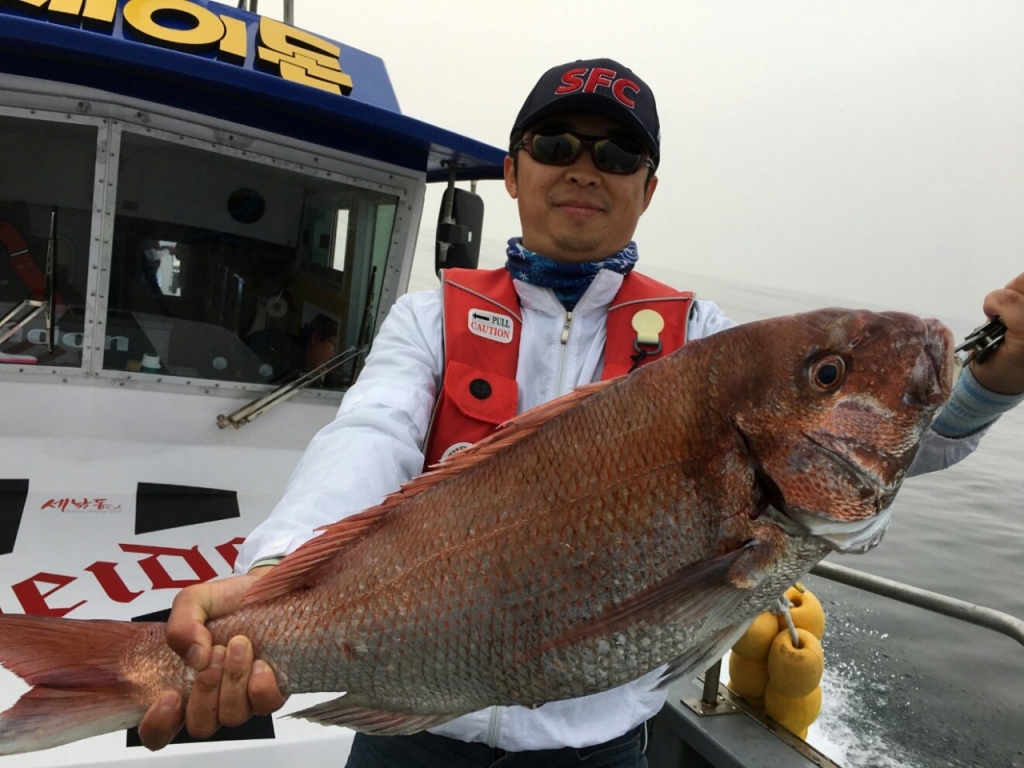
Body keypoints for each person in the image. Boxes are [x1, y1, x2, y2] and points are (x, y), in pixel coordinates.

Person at [138, 59, 1024, 765]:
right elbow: (368, 438)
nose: (585, 168)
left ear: (648, 187)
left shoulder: (704, 341)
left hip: (595, 747)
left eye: (619, 155)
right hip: (419, 732)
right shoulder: (428, 317)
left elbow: (882, 442)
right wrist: (276, 578)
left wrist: (996, 379)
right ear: (513, 170)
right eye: (556, 142)